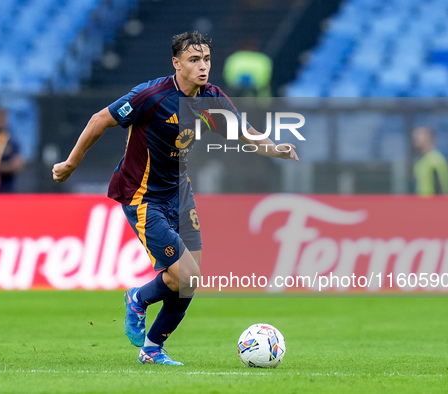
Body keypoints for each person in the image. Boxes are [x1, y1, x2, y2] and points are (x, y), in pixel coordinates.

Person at [52, 31, 299, 365]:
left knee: (188, 281)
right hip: (143, 197)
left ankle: (152, 349)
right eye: (194, 60)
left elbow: (244, 131)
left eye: (207, 60)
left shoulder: (210, 98)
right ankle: (137, 299)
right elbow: (100, 120)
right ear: (176, 63)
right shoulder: (151, 95)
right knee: (185, 275)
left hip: (179, 194)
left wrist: (275, 149)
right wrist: (71, 163)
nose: (203, 67)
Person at [411, 126, 448, 196]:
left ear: (430, 137)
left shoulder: (435, 160)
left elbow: (442, 189)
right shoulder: (420, 160)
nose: (416, 137)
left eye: (420, 134)